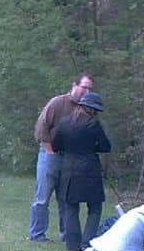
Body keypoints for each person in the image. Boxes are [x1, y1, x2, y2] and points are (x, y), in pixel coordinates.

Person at [29, 73, 95, 242]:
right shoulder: (58, 103)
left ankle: (67, 234)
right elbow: (41, 129)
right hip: (50, 154)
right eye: (84, 87)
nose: (87, 91)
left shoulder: (87, 108)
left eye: (90, 88)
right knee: (42, 197)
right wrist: (50, 152)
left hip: (70, 158)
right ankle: (37, 234)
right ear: (75, 85)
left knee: (66, 199)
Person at [52, 91, 111, 251]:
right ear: (92, 109)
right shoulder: (93, 124)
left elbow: (56, 145)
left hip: (69, 169)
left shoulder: (64, 123)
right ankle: (87, 242)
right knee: (95, 207)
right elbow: (106, 146)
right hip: (89, 169)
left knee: (71, 207)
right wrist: (92, 147)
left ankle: (72, 244)